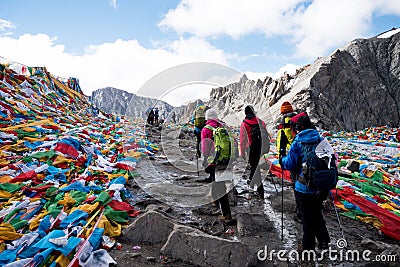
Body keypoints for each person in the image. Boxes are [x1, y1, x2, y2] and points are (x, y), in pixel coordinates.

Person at [280, 112, 330, 252]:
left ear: (298, 127)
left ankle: (307, 247)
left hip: (304, 186)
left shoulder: (298, 142)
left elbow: (290, 164)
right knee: (316, 213)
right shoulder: (320, 138)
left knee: (307, 217)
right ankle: (324, 241)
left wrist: (282, 160)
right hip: (321, 184)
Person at [201, 108, 232, 222]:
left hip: (214, 161)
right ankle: (215, 201)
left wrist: (205, 159)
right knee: (219, 181)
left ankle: (226, 214)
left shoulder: (206, 129)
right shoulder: (223, 127)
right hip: (226, 159)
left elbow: (205, 148)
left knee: (220, 186)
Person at [276, 101, 301, 221]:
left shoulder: (284, 123)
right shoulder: (299, 118)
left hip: (293, 154)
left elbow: (281, 141)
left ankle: (300, 211)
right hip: (306, 152)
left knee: (296, 182)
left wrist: (281, 156)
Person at [239, 105, 269, 199]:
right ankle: (252, 184)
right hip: (262, 147)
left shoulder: (244, 123)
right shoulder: (261, 121)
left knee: (255, 168)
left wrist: (243, 153)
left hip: (251, 148)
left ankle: (260, 191)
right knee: (255, 166)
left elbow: (243, 139)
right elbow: (266, 134)